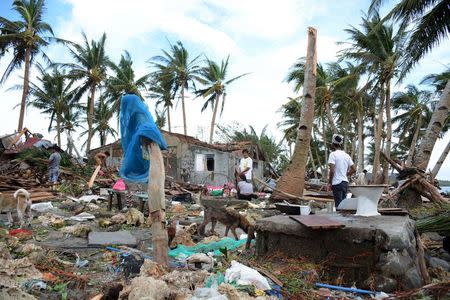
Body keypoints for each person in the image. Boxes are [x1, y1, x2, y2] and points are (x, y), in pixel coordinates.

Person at [327, 134, 356, 208]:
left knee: (339, 206)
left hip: (337, 183)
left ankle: (339, 219)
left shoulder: (333, 154)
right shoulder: (346, 155)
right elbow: (354, 169)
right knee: (343, 206)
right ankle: (343, 219)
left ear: (333, 144)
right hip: (345, 183)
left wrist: (329, 182)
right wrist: (346, 174)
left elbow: (332, 171)